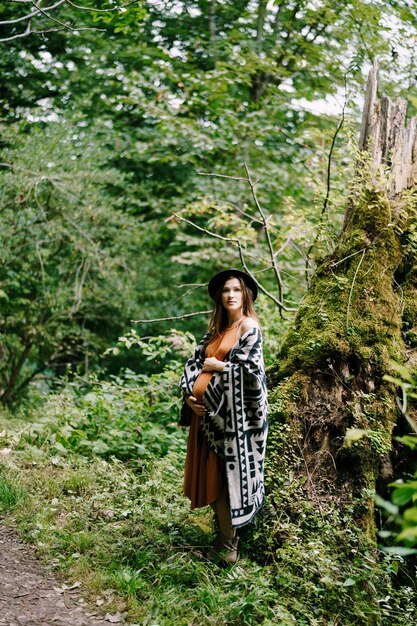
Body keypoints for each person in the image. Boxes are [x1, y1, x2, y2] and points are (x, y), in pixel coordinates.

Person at [179, 268, 268, 565]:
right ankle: (221, 541)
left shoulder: (248, 328)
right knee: (215, 482)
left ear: (246, 296)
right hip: (206, 422)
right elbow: (194, 365)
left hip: (234, 426)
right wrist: (190, 398)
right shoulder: (215, 331)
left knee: (228, 481)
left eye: (236, 290)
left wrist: (218, 367)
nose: (231, 295)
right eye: (226, 291)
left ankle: (230, 547)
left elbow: (252, 375)